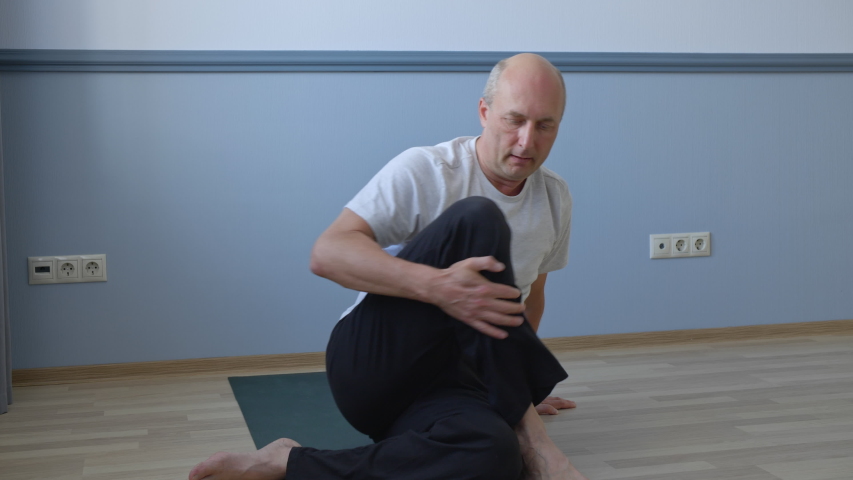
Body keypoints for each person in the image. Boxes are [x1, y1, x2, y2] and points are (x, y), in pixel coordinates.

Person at [189, 53, 588, 480]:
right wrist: (437, 286)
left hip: (451, 386)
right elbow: (328, 252)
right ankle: (535, 442)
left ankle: (286, 462)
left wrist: (516, 392)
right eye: (515, 120)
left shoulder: (554, 197)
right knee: (478, 219)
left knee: (493, 455)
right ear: (484, 112)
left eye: (545, 125)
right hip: (375, 364)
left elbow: (530, 296)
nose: (528, 141)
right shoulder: (429, 169)